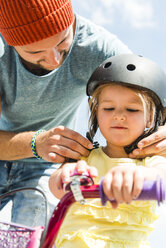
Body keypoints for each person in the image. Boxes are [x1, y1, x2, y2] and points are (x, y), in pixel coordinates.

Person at [0, 0, 166, 227]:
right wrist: (35, 142)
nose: (55, 60)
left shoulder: (98, 46)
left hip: (49, 160)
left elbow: (147, 90)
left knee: (32, 233)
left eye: (62, 43)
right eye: (36, 51)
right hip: (18, 148)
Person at [49, 54, 166, 248]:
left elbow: (161, 178)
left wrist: (138, 177)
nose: (119, 116)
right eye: (109, 108)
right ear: (95, 112)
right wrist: (64, 176)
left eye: (132, 110)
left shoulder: (151, 162)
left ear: (150, 117)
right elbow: (55, 186)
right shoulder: (84, 157)